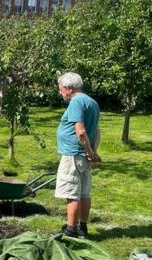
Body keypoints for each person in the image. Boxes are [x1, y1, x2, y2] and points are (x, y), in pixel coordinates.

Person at [55, 72, 101, 238]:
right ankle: (83, 228)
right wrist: (93, 153)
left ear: (69, 88)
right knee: (84, 193)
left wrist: (89, 152)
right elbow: (97, 131)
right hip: (84, 156)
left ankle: (71, 230)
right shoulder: (92, 102)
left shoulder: (76, 102)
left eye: (61, 90)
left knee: (71, 192)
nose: (61, 93)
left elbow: (81, 131)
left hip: (73, 155)